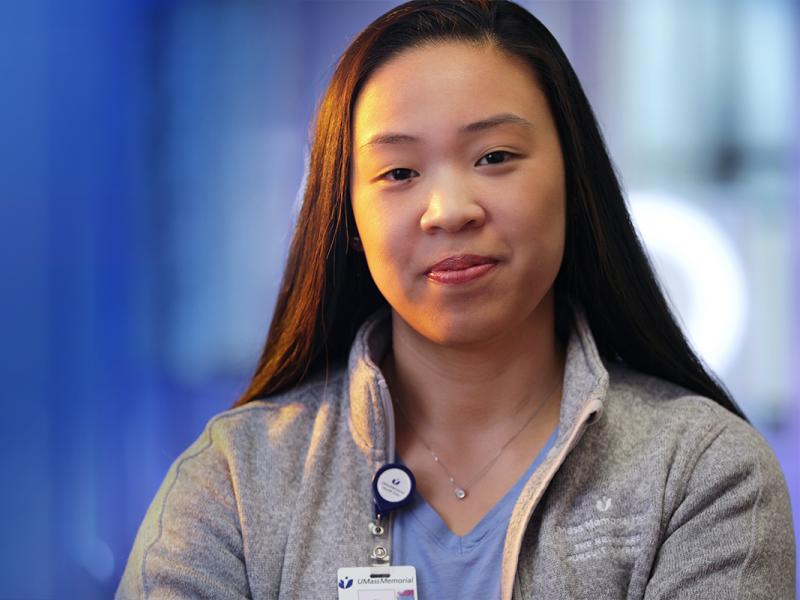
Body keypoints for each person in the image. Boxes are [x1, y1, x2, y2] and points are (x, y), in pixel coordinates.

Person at [116, 1, 796, 598]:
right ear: (346, 216)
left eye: (495, 156)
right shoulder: (236, 481)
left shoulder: (703, 473)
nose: (448, 210)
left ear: (574, 177)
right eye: (399, 172)